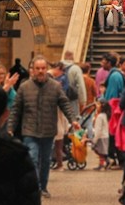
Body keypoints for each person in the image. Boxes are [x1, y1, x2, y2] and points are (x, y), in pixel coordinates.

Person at [8, 57, 78, 195]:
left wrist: (73, 119)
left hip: (48, 130)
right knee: (32, 158)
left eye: (43, 68)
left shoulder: (55, 86)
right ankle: (34, 188)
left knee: (45, 160)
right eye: (37, 68)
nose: (40, 71)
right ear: (33, 70)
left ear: (47, 69)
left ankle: (43, 187)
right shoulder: (24, 87)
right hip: (29, 129)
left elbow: (64, 104)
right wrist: (10, 127)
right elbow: (16, 109)